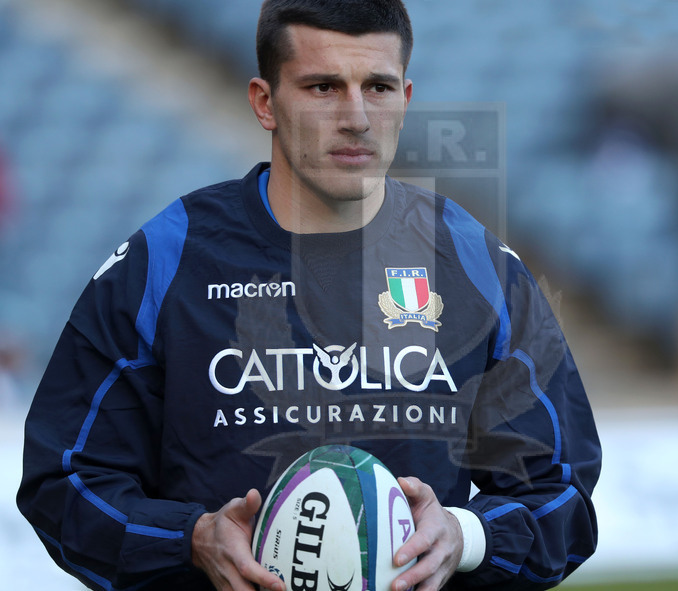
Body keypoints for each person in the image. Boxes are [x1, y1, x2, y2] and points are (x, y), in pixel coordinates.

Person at [17, 1, 601, 590]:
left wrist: (465, 535)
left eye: (378, 87)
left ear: (407, 97)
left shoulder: (474, 263)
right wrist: (190, 539)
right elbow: (64, 479)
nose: (356, 117)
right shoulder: (166, 259)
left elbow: (562, 494)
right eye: (323, 87)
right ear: (265, 102)